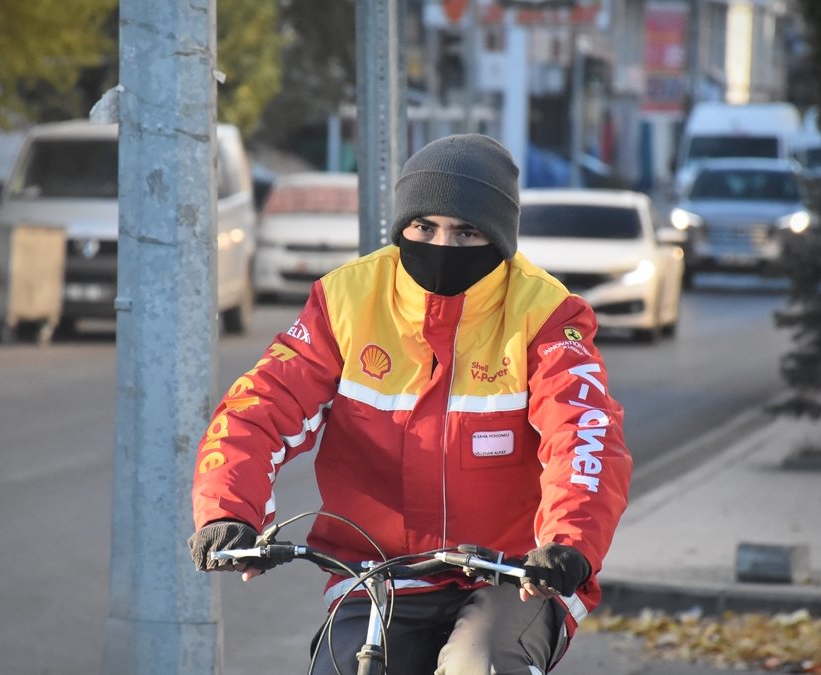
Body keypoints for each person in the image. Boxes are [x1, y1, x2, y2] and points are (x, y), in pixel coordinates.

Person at [188, 134, 631, 674]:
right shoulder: (346, 300)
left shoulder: (545, 314)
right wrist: (229, 511)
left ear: (498, 237)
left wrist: (567, 542)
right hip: (377, 573)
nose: (442, 244)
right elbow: (258, 409)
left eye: (466, 232)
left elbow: (585, 436)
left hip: (514, 576)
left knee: (480, 665)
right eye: (424, 227)